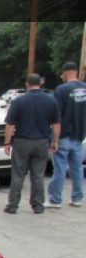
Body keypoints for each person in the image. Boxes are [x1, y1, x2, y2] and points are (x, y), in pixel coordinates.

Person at [3, 73, 61, 214]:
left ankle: (13, 205)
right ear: (40, 84)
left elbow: (10, 124)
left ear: (27, 84)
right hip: (41, 142)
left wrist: (7, 142)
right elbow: (57, 124)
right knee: (38, 175)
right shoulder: (51, 101)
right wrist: (55, 141)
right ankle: (38, 205)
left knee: (18, 174)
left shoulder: (19, 101)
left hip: (22, 141)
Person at [46, 61, 86, 208]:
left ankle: (55, 199)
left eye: (62, 73)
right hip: (79, 134)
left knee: (60, 167)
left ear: (67, 72)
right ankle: (77, 198)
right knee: (77, 167)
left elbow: (56, 116)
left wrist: (54, 139)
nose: (61, 76)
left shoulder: (61, 90)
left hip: (63, 135)